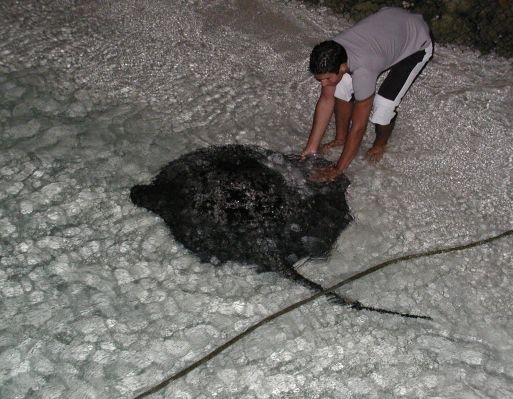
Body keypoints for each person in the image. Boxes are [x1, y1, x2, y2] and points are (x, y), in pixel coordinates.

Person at [301, 7, 433, 182]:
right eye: (320, 79)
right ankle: (341, 138)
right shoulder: (329, 53)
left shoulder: (363, 71)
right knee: (339, 88)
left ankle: (380, 143)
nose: (323, 84)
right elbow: (326, 100)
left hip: (416, 43)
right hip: (391, 24)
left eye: (326, 79)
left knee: (383, 107)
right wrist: (311, 148)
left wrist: (337, 169)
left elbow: (359, 127)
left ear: (342, 67)